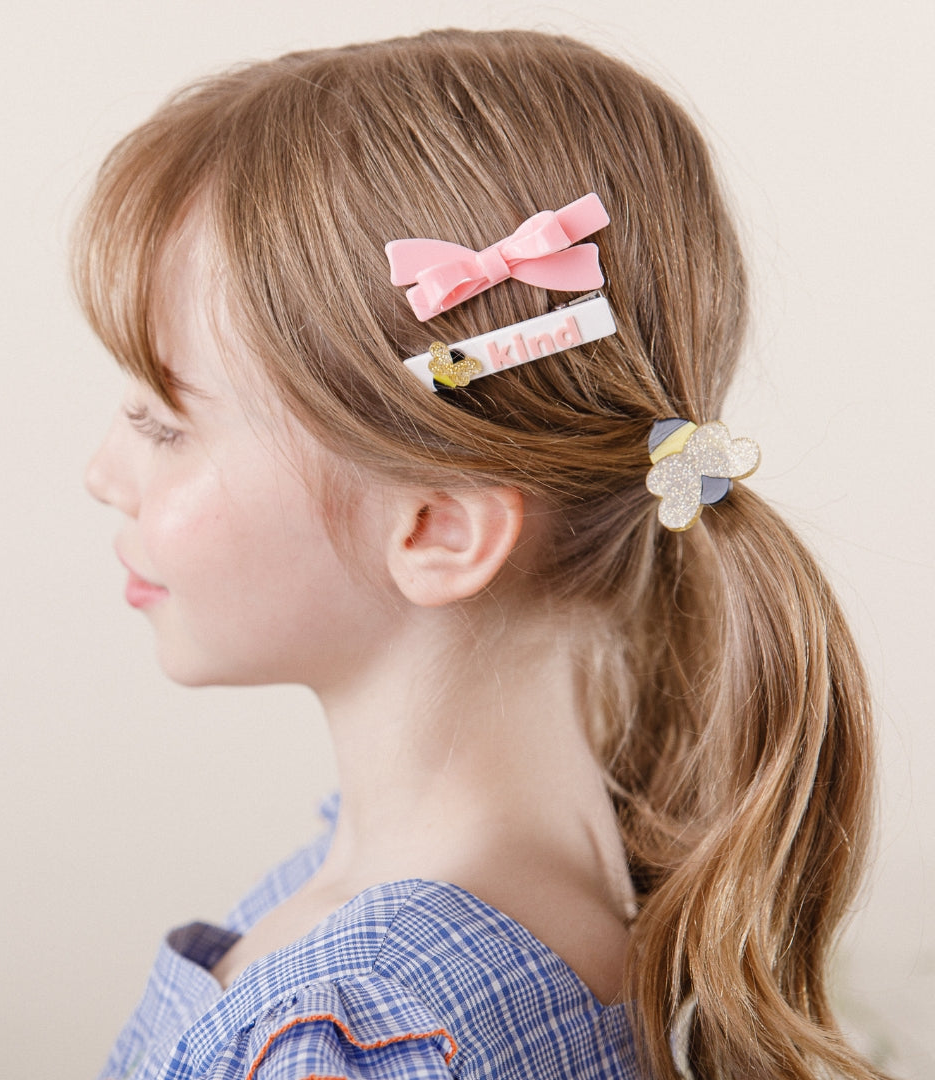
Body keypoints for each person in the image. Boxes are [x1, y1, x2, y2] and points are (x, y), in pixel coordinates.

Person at [76, 28, 886, 1080]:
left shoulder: (351, 1038)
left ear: (437, 530)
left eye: (163, 425)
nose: (103, 469)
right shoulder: (616, 884)